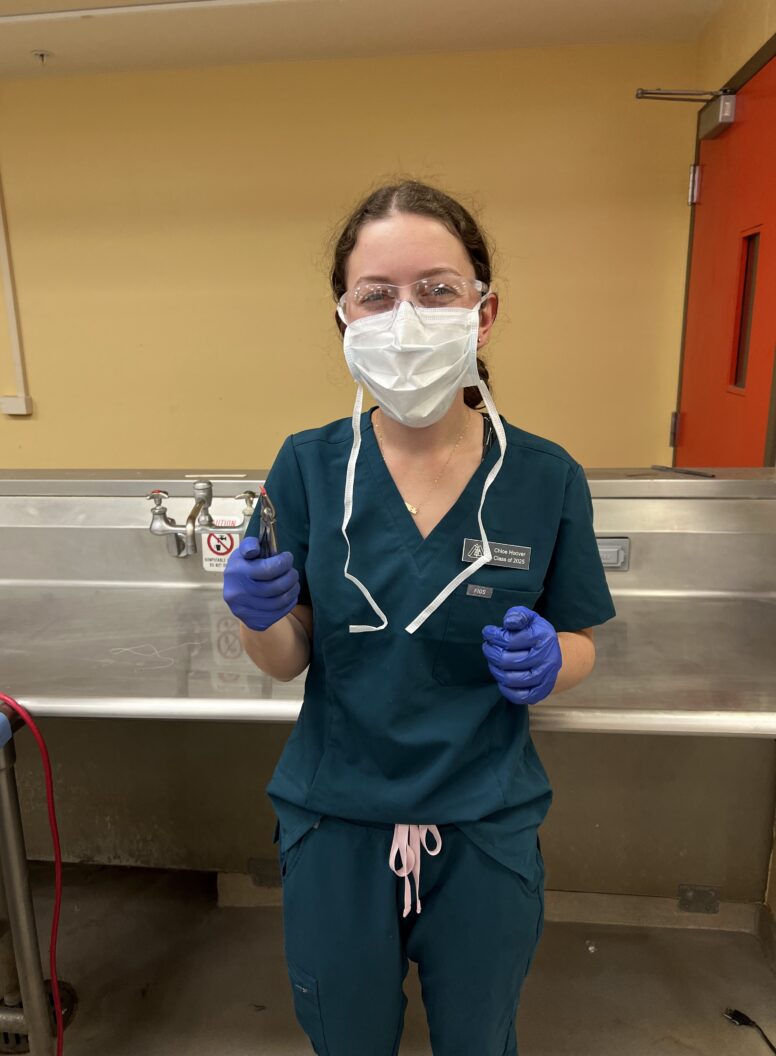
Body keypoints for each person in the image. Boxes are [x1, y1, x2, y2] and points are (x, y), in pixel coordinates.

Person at [223, 180, 616, 1056]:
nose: (407, 318)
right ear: (344, 319)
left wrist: (556, 662)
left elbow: (582, 636)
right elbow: (285, 660)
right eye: (378, 295)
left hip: (483, 825)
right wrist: (260, 617)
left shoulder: (545, 477)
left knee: (480, 1042)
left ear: (484, 311)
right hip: (336, 822)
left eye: (437, 289)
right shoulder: (307, 465)